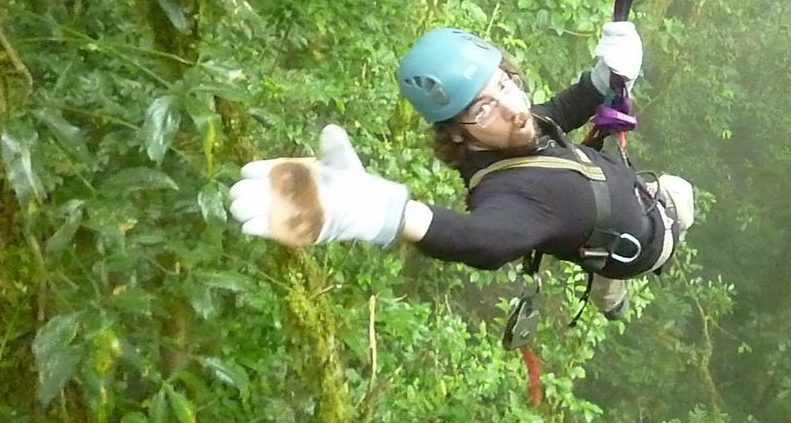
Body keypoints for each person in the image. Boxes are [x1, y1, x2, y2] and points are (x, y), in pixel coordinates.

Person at [229, 23, 694, 321]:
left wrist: (608, 76)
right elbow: (485, 240)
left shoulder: (518, 131)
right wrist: (384, 213)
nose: (514, 107)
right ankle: (613, 287)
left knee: (655, 186)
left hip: (630, 195)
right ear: (456, 133)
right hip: (648, 239)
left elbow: (562, 108)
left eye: (506, 84)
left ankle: (610, 287)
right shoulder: (508, 197)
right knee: (680, 193)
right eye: (486, 106)